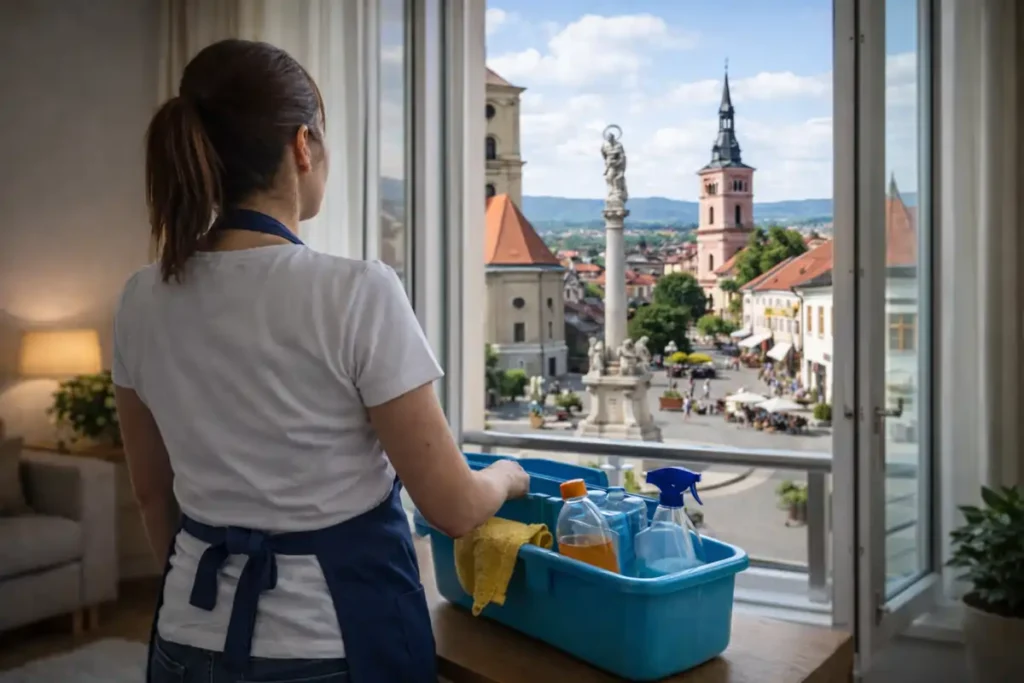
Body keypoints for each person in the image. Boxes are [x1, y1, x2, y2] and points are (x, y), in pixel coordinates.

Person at [113, 39, 529, 683]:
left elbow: (150, 489)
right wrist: (505, 475)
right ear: (302, 146)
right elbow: (451, 506)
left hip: (185, 636)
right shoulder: (356, 290)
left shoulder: (142, 296)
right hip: (333, 642)